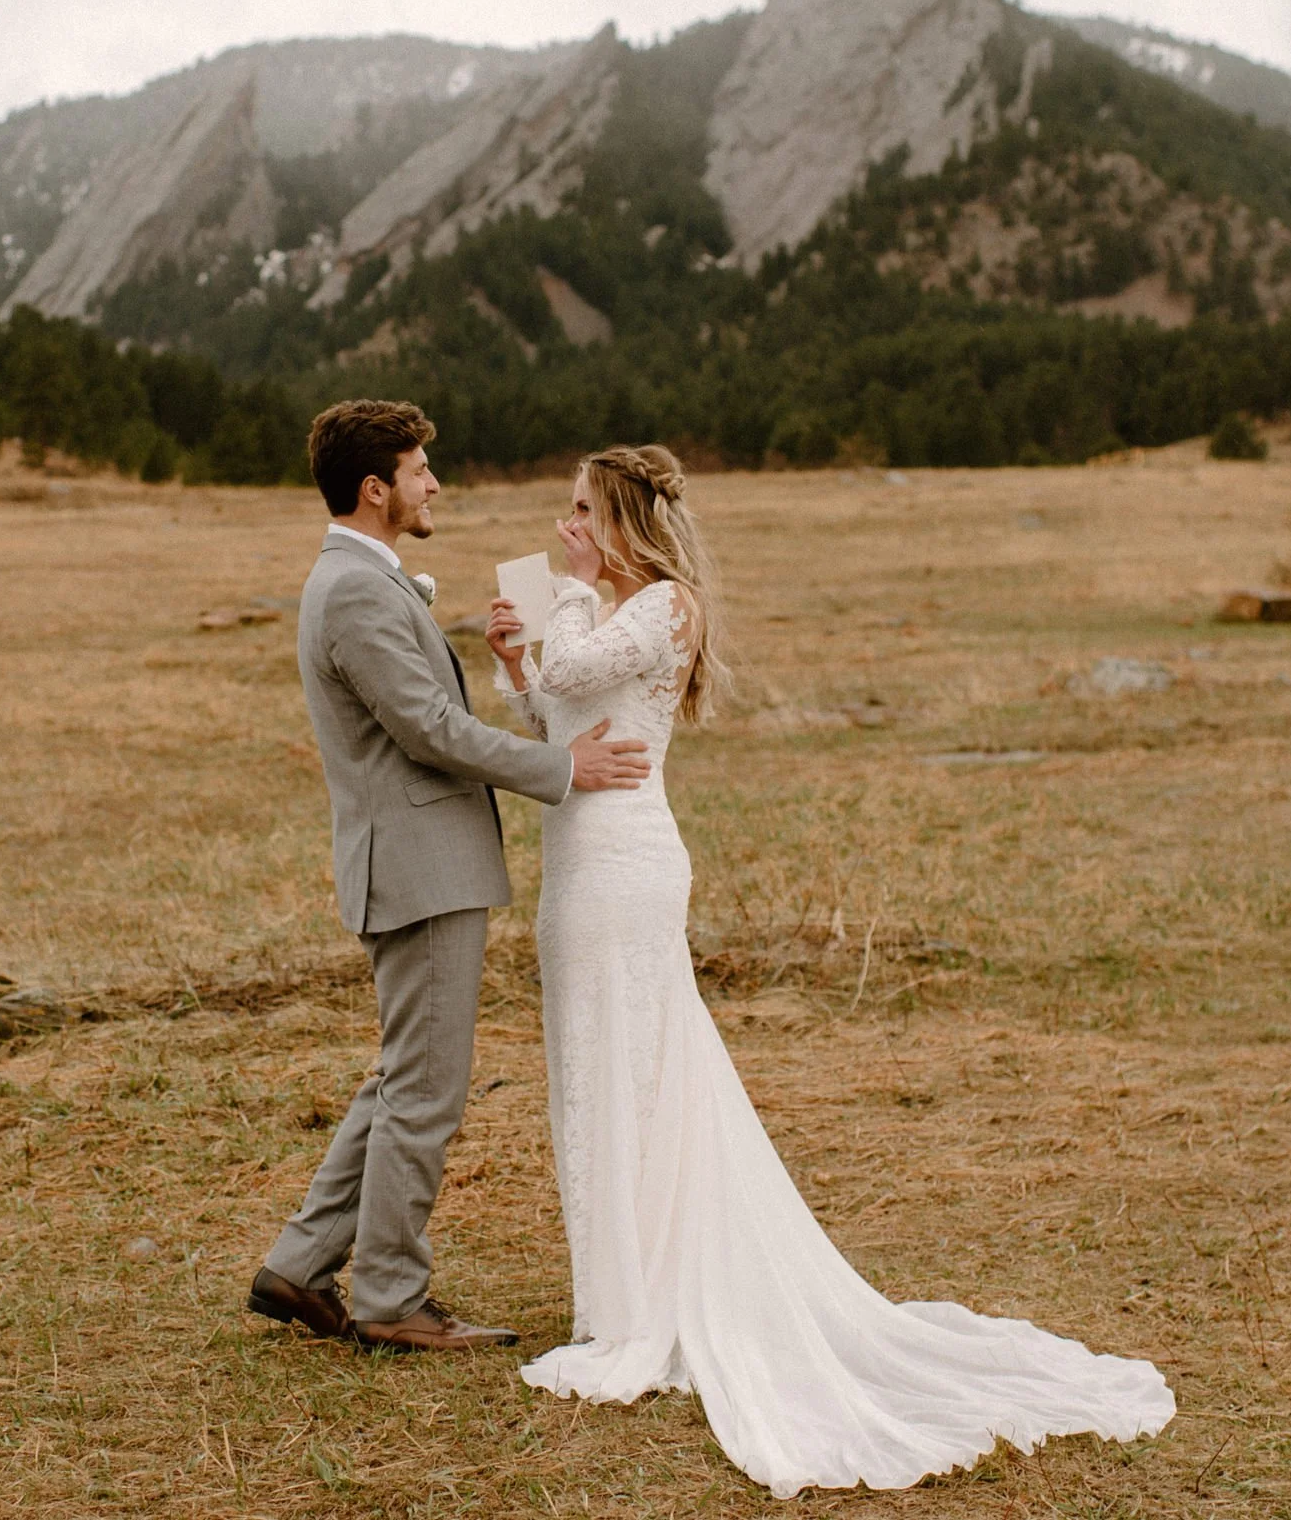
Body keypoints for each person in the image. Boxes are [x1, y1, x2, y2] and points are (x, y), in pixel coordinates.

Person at [483, 444, 1176, 1498]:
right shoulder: (605, 612)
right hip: (573, 864)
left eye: (582, 509)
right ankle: (616, 1293)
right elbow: (557, 719)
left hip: (626, 863)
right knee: (591, 1065)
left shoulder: (662, 605)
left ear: (622, 518)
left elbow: (577, 670)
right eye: (566, 509)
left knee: (640, 1064)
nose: (565, 525)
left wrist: (564, 599)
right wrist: (512, 661)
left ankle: (644, 1299)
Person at [247, 400, 653, 1354]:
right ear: (374, 488)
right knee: (426, 1092)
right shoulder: (354, 590)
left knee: (403, 1079)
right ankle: (391, 1295)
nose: (435, 483)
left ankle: (300, 1264)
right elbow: (428, 728)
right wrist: (561, 767)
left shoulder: (361, 579)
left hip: (417, 862)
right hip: (418, 868)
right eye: (419, 470)